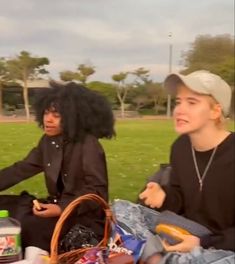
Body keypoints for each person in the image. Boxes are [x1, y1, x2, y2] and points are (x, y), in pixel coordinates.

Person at [113, 70, 235, 263]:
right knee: (120, 209)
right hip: (187, 230)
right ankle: (157, 257)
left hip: (224, 246)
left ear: (215, 111)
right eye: (179, 102)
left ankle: (154, 255)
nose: (179, 110)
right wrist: (164, 196)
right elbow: (180, 200)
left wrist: (201, 242)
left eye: (192, 102)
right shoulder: (180, 147)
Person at [0, 81, 115, 254]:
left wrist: (62, 208)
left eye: (56, 115)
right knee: (7, 206)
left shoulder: (88, 144)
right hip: (54, 205)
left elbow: (98, 191)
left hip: (81, 216)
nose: (48, 119)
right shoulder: (48, 141)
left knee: (32, 225)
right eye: (46, 112)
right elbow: (21, 169)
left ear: (72, 117)